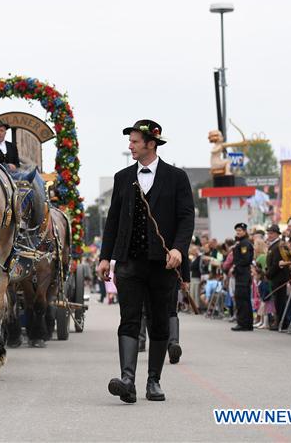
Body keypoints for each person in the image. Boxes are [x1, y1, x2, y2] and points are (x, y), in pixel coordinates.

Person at [97, 119, 194, 404]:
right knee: (128, 319)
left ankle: (154, 381)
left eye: (135, 141)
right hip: (129, 262)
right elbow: (113, 220)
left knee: (159, 322)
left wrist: (178, 249)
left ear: (151, 143)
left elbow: (186, 217)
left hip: (162, 263)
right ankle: (128, 381)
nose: (130, 146)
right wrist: (105, 256)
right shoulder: (122, 177)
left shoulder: (177, 177)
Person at [264, 224, 291, 329]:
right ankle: (279, 321)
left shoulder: (278, 245)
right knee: (277, 300)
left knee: (280, 301)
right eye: (268, 233)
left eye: (271, 233)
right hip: (275, 276)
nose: (269, 235)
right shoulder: (273, 245)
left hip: (279, 277)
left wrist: (268, 274)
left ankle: (281, 322)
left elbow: (276, 263)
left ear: (277, 234)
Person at [231, 223, 254, 331]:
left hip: (243, 274)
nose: (238, 232)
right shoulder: (241, 243)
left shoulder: (244, 244)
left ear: (245, 231)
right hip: (241, 274)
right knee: (242, 299)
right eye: (237, 231)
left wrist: (236, 266)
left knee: (242, 299)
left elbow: (245, 259)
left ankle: (244, 323)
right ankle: (246, 323)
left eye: (240, 230)